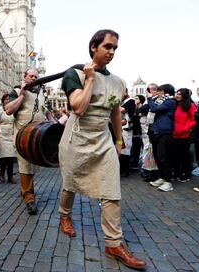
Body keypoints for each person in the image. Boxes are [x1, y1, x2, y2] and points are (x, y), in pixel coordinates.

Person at [57, 29, 146, 270]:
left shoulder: (118, 82)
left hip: (103, 141)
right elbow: (78, 107)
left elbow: (115, 112)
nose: (112, 52)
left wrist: (118, 141)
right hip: (77, 139)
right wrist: (91, 79)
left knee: (111, 189)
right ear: (94, 47)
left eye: (115, 48)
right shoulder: (73, 74)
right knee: (70, 183)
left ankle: (113, 243)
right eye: (108, 46)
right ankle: (64, 215)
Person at [5, 68, 53, 215]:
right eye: (31, 76)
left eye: (36, 77)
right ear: (24, 77)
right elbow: (8, 110)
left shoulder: (42, 94)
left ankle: (24, 189)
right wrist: (22, 94)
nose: (34, 78)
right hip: (22, 136)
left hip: (38, 136)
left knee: (33, 166)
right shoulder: (16, 90)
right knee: (26, 165)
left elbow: (49, 115)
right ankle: (29, 198)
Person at [147, 84, 177, 192]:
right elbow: (147, 108)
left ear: (166, 92)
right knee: (158, 157)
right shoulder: (159, 101)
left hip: (165, 132)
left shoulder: (170, 101)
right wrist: (152, 99)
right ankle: (162, 177)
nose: (158, 93)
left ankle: (168, 182)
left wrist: (150, 98)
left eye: (160, 91)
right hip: (156, 132)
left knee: (164, 156)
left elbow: (154, 109)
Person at [172, 88, 196, 182]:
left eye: (180, 94)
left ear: (185, 96)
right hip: (174, 134)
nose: (177, 95)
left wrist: (185, 129)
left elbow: (194, 119)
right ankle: (177, 173)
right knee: (175, 155)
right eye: (177, 94)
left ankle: (186, 174)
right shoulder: (176, 105)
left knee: (184, 156)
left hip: (184, 135)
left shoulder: (191, 105)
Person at [0, 93, 16, 184]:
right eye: (6, 99)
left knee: (11, 157)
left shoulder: (14, 110)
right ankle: (2, 172)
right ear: (3, 101)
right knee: (3, 157)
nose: (8, 100)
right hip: (2, 135)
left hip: (12, 134)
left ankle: (10, 176)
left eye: (10, 99)